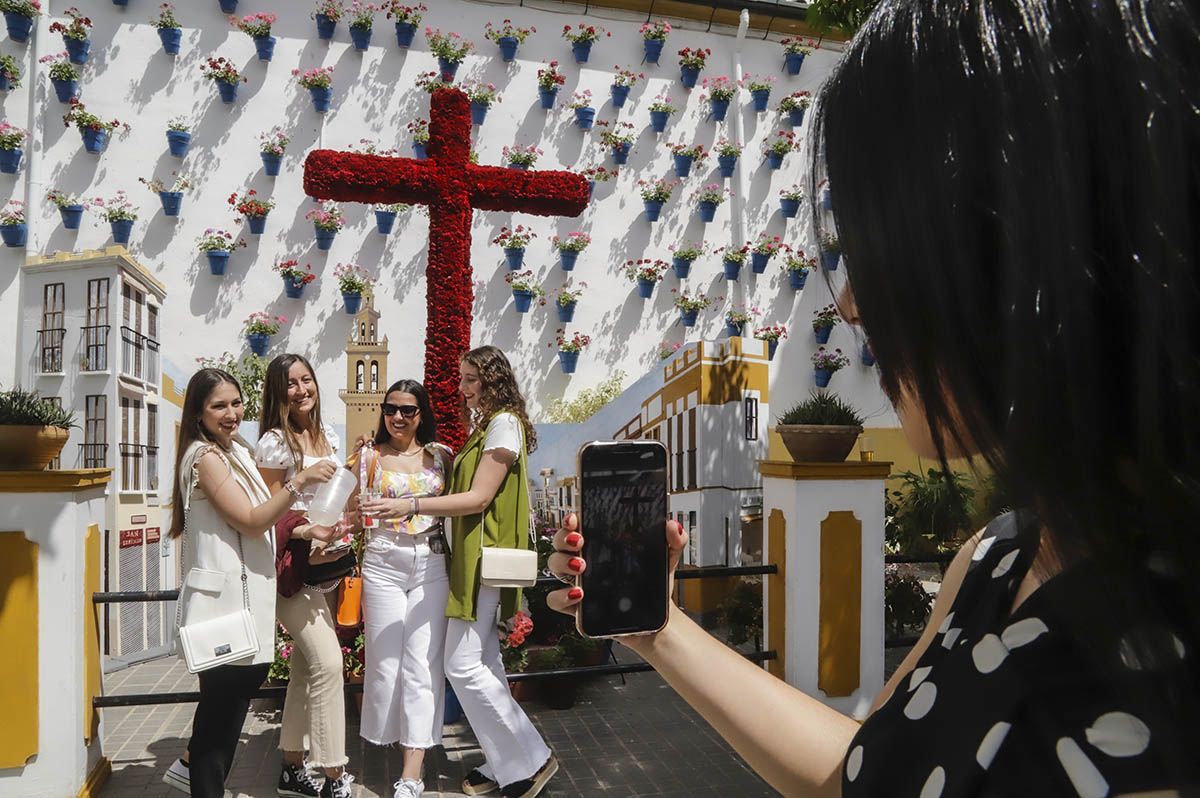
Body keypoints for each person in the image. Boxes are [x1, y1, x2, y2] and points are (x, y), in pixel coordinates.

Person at [545, 1, 1200, 794]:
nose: (851, 303)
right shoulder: (996, 559)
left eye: (889, 239)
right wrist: (660, 630)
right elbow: (859, 775)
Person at [368, 346, 557, 798]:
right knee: (485, 664)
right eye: (462, 378)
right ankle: (504, 762)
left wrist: (410, 503)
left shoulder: (504, 424)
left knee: (461, 663)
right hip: (471, 560)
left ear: (493, 379)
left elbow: (477, 499)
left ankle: (533, 759)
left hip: (484, 560)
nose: (463, 388)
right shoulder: (489, 426)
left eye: (472, 379)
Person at [166, 368, 338, 798]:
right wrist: (299, 481)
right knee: (217, 726)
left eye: (236, 403)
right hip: (222, 605)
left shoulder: (235, 448)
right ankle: (199, 776)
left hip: (241, 603)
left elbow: (267, 516)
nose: (231, 413)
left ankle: (194, 770)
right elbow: (248, 519)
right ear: (198, 413)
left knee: (226, 716)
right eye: (219, 406)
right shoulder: (204, 458)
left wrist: (302, 531)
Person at [347, 379, 454, 798]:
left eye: (408, 410)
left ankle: (412, 771)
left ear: (421, 413)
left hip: (432, 561)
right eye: (391, 408)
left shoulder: (441, 457)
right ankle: (385, 744)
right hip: (383, 560)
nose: (397, 417)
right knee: (386, 664)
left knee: (423, 665)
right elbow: (350, 511)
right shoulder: (368, 456)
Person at [255, 354, 354, 798]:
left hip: (327, 566)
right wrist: (307, 507)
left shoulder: (328, 435)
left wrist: (341, 520)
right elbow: (267, 514)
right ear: (278, 393)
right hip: (293, 573)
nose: (301, 390)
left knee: (302, 670)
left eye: (306, 379)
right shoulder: (274, 442)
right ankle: (333, 773)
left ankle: (292, 768)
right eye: (290, 384)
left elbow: (333, 498)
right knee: (329, 664)